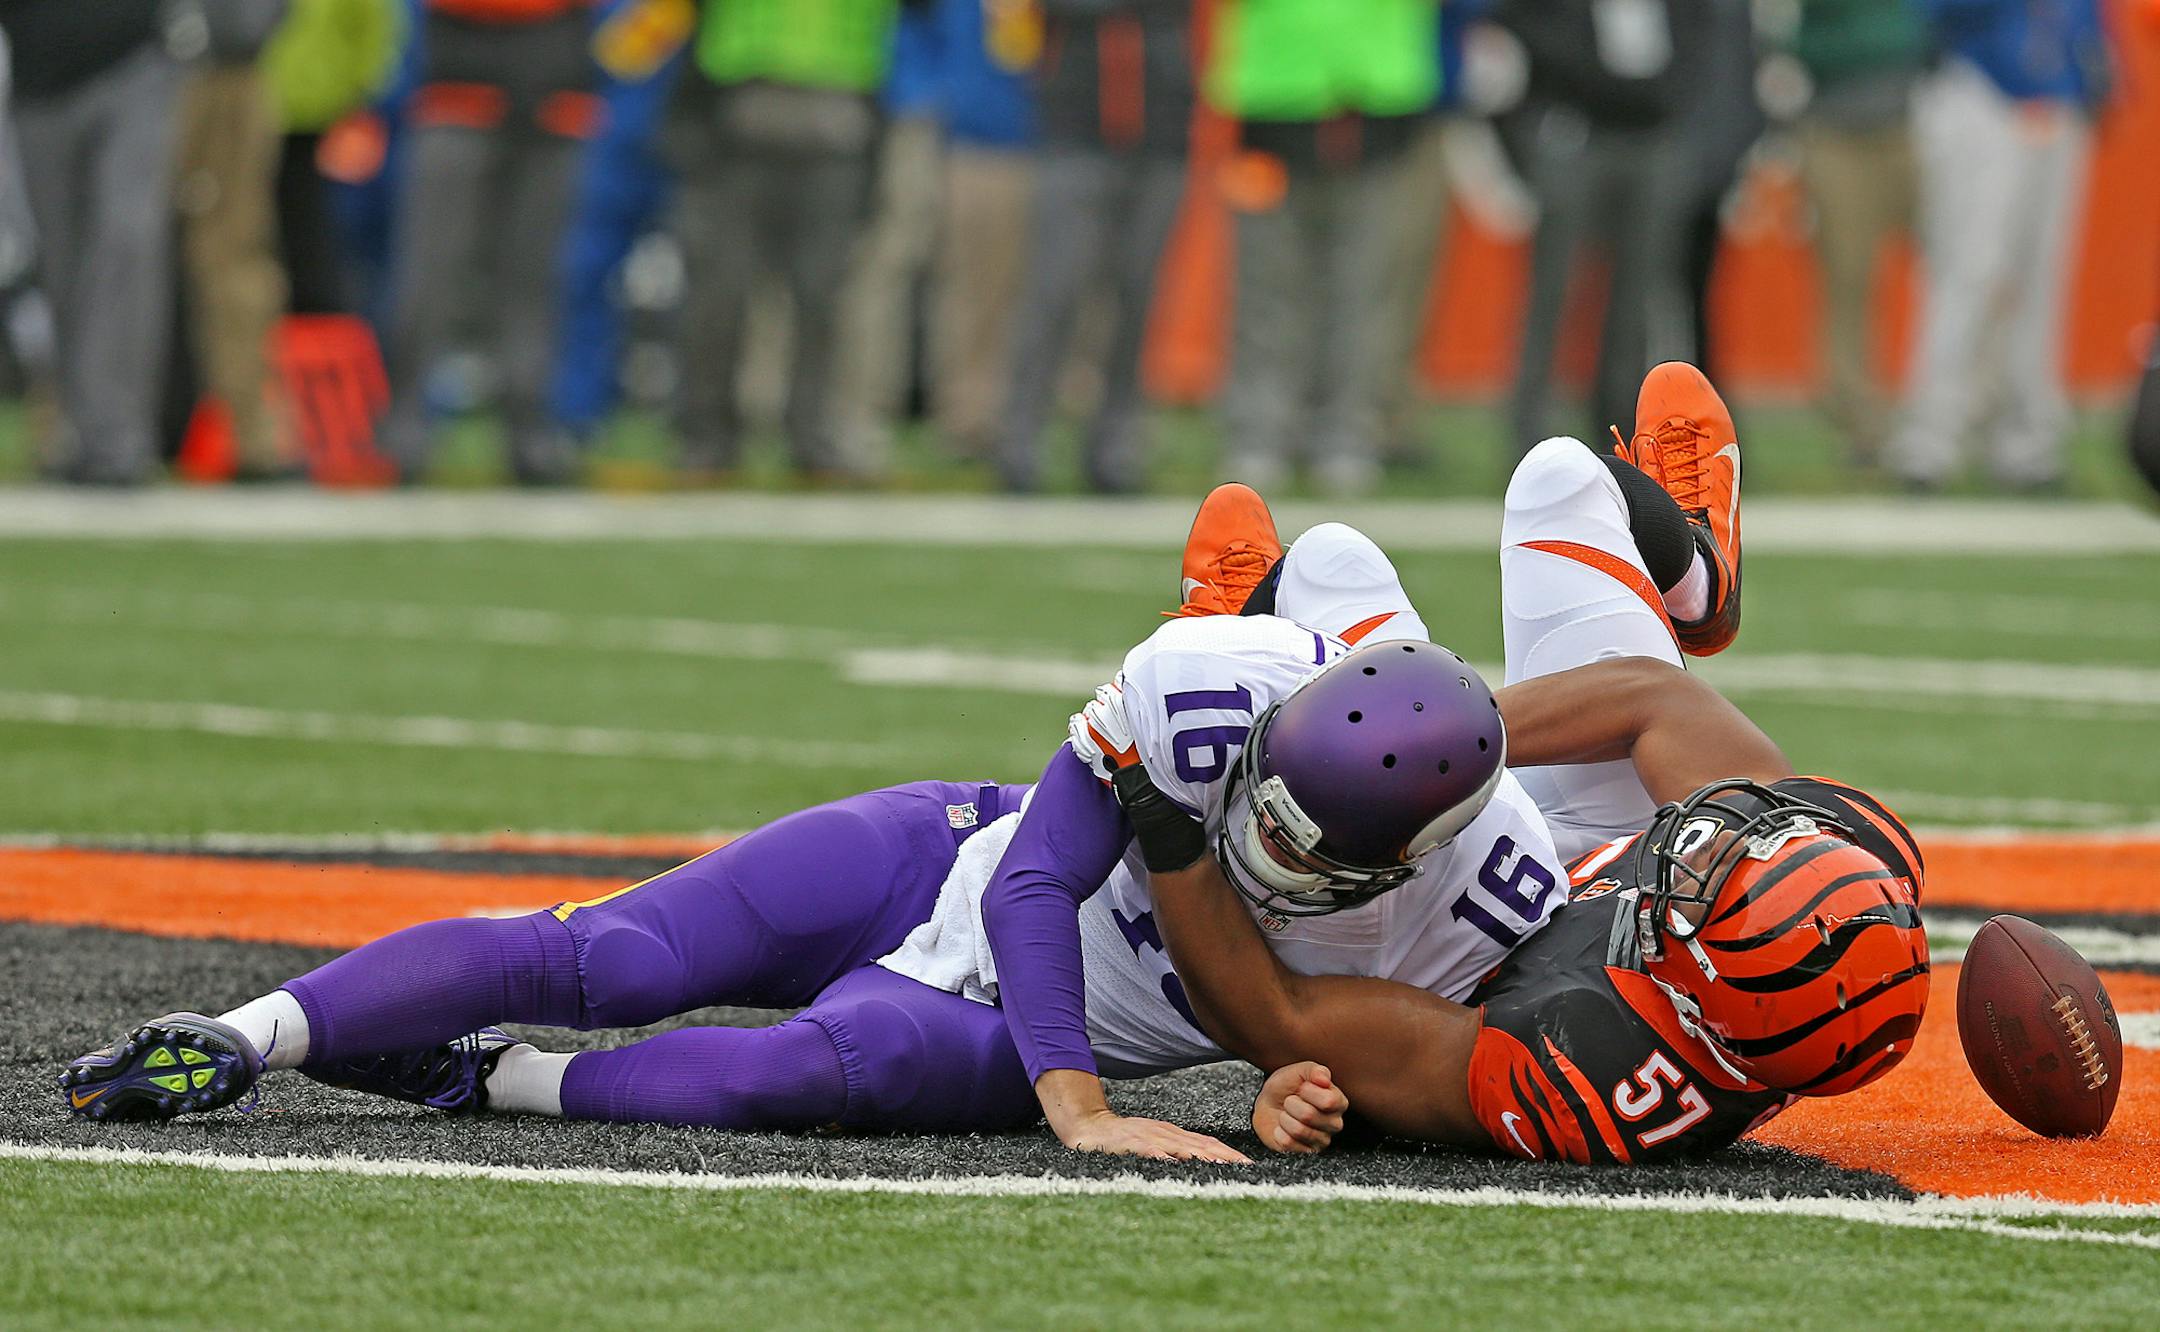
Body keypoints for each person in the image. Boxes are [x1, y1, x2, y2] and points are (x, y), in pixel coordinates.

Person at [376, 0, 601, 485]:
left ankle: (530, 431)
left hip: (554, 95)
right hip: (459, 92)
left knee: (536, 279)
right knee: (430, 273)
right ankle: (406, 428)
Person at [1892, 0, 2110, 493]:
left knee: (2039, 282)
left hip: (2057, 93)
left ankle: (2027, 445)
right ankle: (1930, 440)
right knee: (1968, 272)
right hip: (1979, 89)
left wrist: (2093, 68)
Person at [993, 0, 1193, 494]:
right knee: (1055, 293)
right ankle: (1020, 442)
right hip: (1074, 131)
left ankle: (1116, 448)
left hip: (1161, 130)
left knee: (1137, 299)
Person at [1, 0, 183, 485]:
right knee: (60, 263)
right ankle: (76, 431)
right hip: (38, 81)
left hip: (134, 61)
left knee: (126, 244)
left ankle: (118, 439)